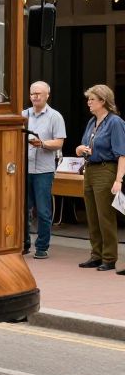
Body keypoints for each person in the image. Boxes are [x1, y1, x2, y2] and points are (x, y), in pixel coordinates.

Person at [74, 84, 125, 273]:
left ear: (103, 101)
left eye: (92, 99)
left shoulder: (115, 122)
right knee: (92, 215)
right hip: (90, 169)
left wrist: (118, 179)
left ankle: (109, 257)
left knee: (105, 216)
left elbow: (122, 154)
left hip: (106, 170)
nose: (88, 102)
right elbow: (86, 144)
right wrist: (80, 149)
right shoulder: (92, 122)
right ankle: (96, 255)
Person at [22, 81, 66, 259]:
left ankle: (42, 247)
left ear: (48, 95)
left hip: (43, 171)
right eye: (33, 93)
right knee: (23, 210)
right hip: (25, 168)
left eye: (39, 94)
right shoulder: (23, 115)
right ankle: (24, 243)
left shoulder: (55, 116)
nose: (35, 97)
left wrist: (43, 144)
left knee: (43, 210)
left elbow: (60, 142)